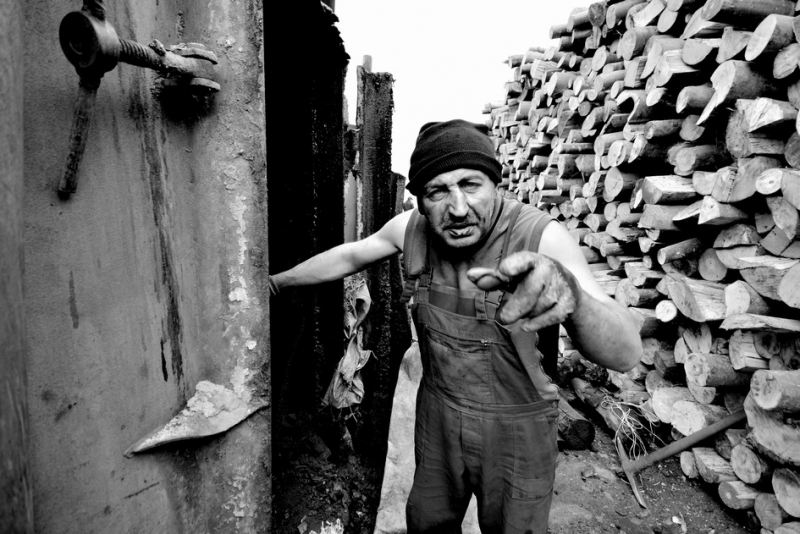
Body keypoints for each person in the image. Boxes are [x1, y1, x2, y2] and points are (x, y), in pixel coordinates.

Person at [269, 119, 643, 534]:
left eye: (470, 184)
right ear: (420, 200)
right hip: (439, 414)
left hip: (518, 427)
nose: (459, 208)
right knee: (428, 522)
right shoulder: (411, 229)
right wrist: (277, 282)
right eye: (438, 191)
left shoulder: (541, 237)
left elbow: (626, 355)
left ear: (495, 183)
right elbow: (351, 256)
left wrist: (574, 297)